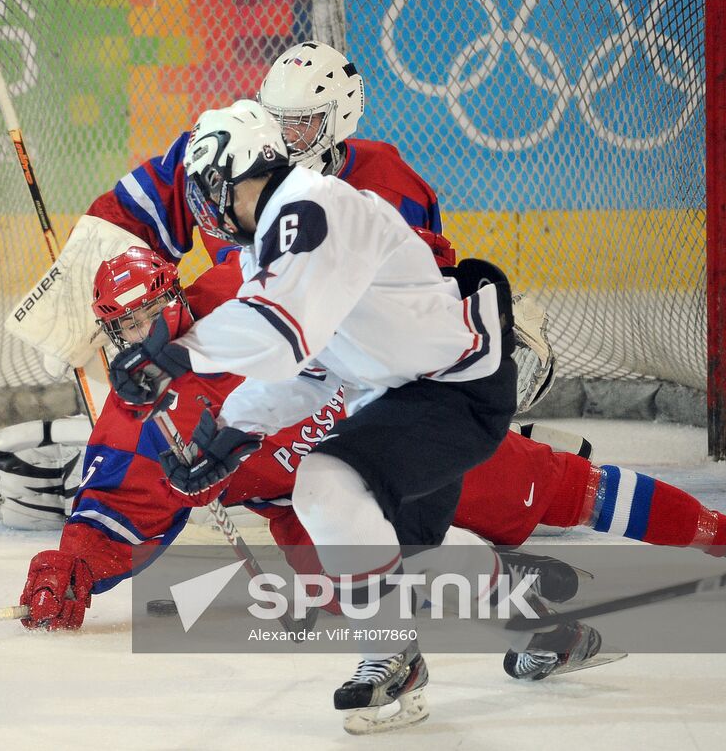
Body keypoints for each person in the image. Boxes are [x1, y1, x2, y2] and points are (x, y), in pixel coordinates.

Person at [33, 40, 726, 583]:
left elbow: (289, 329)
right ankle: (494, 609)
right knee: (354, 567)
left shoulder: (325, 212)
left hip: (422, 393)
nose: (143, 331)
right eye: (125, 328)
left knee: (549, 487)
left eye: (150, 314)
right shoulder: (242, 271)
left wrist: (183, 368)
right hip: (348, 435)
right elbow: (117, 505)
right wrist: (78, 561)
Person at [105, 99, 528, 732]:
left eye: (211, 191)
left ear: (245, 174)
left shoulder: (313, 208)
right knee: (402, 558)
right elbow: (310, 369)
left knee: (326, 483)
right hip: (401, 394)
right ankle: (547, 621)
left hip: (455, 389)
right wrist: (234, 431)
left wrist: (172, 358)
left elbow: (281, 335)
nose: (207, 210)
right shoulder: (274, 244)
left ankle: (391, 656)